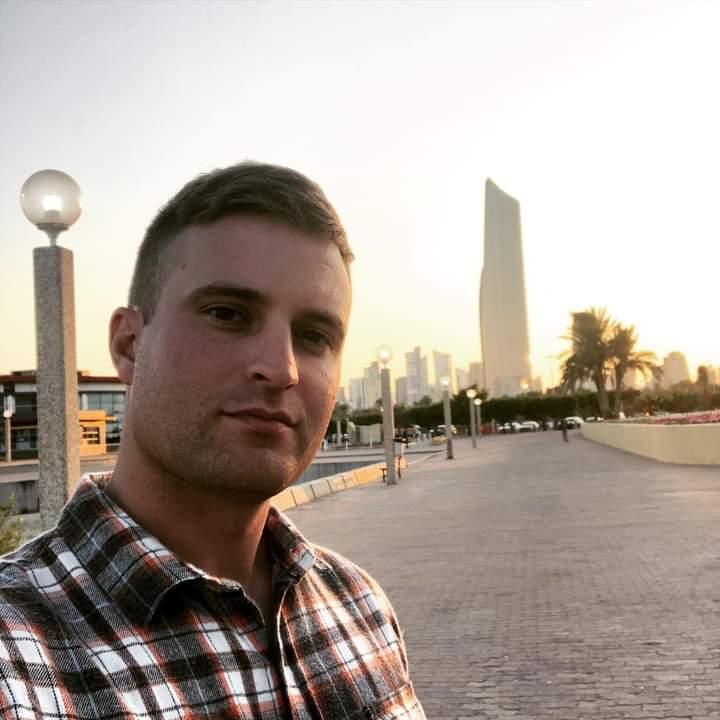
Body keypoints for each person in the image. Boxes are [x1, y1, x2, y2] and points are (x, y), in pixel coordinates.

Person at [0, 162, 425, 719]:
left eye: (314, 335)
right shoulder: (19, 662)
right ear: (129, 345)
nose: (282, 368)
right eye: (227, 313)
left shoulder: (360, 608)